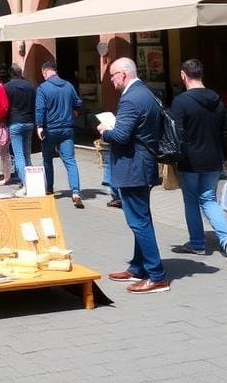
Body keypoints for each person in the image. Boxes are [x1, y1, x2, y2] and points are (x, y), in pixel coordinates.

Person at [97, 57, 170, 294]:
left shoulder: (130, 99)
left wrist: (105, 131)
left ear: (124, 74)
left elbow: (121, 136)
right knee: (142, 218)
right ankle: (139, 267)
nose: (111, 80)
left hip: (133, 167)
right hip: (142, 164)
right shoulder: (146, 93)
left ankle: (156, 275)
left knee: (138, 222)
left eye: (112, 76)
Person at [169, 59, 227, 264]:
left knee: (191, 200)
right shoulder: (217, 100)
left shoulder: (181, 101)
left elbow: (176, 132)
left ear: (183, 75)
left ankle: (197, 243)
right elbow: (226, 132)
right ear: (201, 74)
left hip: (189, 159)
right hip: (213, 158)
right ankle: (226, 240)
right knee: (209, 199)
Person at [35, 60, 84, 208]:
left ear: (45, 72)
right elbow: (78, 103)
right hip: (67, 128)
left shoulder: (43, 88)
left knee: (47, 160)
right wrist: (74, 113)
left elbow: (40, 109)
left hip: (50, 129)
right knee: (70, 160)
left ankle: (49, 189)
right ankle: (75, 192)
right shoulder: (69, 86)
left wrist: (39, 126)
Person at [4, 63, 36, 186]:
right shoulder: (30, 86)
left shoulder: (7, 87)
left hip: (15, 122)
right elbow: (34, 105)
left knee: (19, 155)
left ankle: (26, 183)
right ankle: (33, 182)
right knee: (27, 155)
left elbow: (5, 107)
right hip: (28, 122)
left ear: (11, 73)